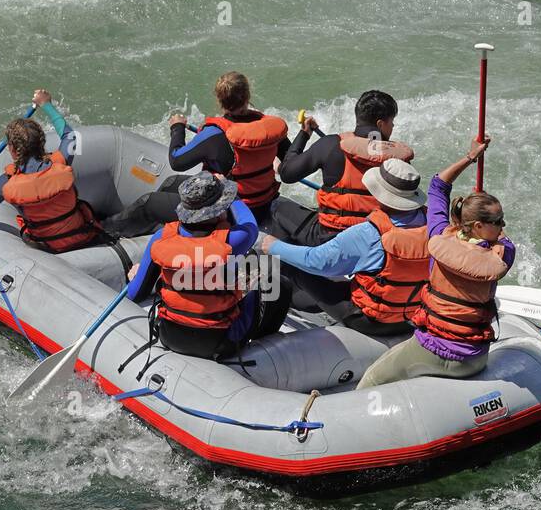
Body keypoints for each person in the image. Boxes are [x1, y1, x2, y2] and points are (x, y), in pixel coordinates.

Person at [357, 135, 513, 388]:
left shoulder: (439, 234)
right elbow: (504, 239)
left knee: (373, 378)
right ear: (479, 226)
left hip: (431, 349)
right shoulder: (503, 253)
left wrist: (470, 156)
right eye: (499, 221)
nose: (503, 226)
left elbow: (438, 185)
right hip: (474, 359)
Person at [125, 173, 291, 360]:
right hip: (221, 343)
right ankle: (265, 352)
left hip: (169, 336)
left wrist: (135, 276)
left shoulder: (161, 238)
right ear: (219, 209)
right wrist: (231, 194)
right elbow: (249, 224)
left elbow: (134, 293)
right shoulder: (234, 240)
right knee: (278, 284)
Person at [257, 157, 429, 336]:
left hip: (369, 321)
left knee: (293, 267)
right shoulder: (435, 226)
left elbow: (316, 262)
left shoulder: (368, 234)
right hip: (411, 318)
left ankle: (266, 324)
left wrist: (272, 245)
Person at [103, 72, 290, 236]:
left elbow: (176, 160)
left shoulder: (214, 134)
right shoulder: (267, 128)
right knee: (171, 183)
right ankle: (172, 227)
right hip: (262, 205)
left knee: (149, 202)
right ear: (248, 95)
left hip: (227, 210)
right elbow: (290, 162)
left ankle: (104, 231)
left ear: (219, 100)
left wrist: (177, 128)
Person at [0, 89, 107, 253]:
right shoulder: (61, 163)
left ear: (13, 150)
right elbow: (71, 136)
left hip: (48, 248)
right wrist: (46, 104)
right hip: (83, 235)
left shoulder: (7, 183)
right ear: (41, 142)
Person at [270, 89, 415, 247]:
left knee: (277, 206)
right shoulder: (397, 159)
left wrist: (304, 133)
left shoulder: (331, 144)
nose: (392, 126)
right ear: (380, 124)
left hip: (330, 237)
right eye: (391, 122)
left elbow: (287, 174)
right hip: (375, 239)